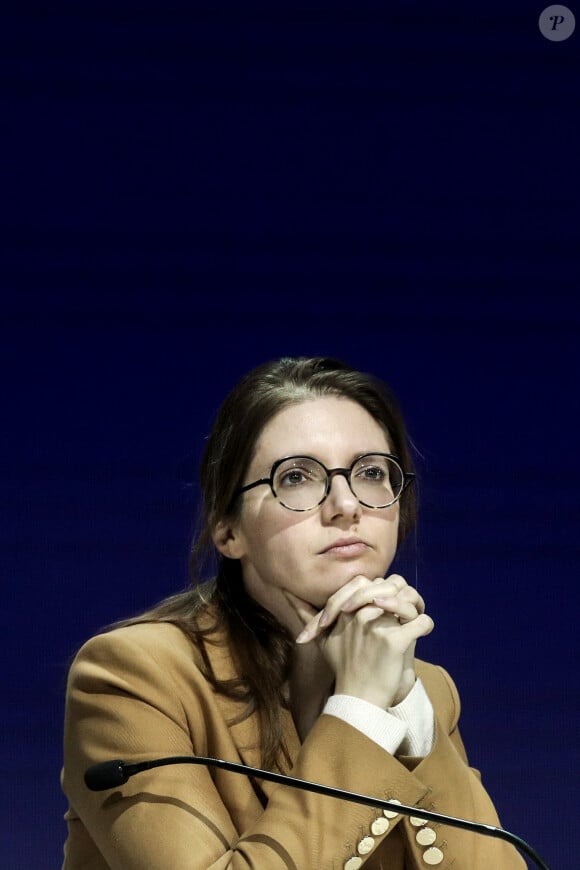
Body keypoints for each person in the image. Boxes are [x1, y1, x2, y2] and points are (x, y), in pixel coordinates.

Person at [61, 356, 525, 869]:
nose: (347, 504)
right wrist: (360, 711)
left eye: (371, 472)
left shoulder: (428, 690)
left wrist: (400, 703)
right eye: (298, 477)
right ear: (228, 531)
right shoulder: (134, 675)